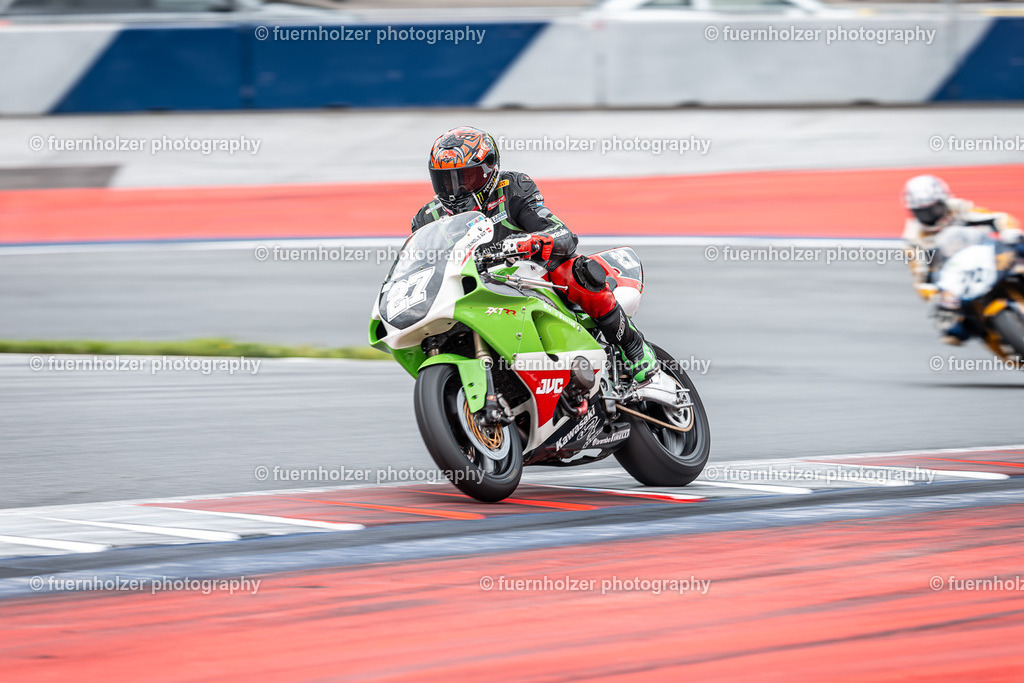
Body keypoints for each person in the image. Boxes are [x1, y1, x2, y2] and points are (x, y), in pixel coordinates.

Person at [412, 126, 659, 381]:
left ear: (489, 170)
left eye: (466, 177)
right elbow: (418, 266)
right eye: (446, 180)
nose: (455, 189)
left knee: (576, 271)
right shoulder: (427, 218)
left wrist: (533, 241)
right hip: (474, 292)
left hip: (530, 280)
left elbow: (563, 235)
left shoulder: (512, 188)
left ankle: (633, 349)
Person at [901, 174, 1023, 343]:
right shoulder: (914, 239)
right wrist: (936, 295)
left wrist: (1010, 232)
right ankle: (1002, 341)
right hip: (957, 279)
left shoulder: (958, 208)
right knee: (952, 331)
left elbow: (998, 218)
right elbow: (920, 278)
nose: (930, 216)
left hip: (987, 256)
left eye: (933, 209)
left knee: (1020, 248)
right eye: (922, 213)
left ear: (944, 201)